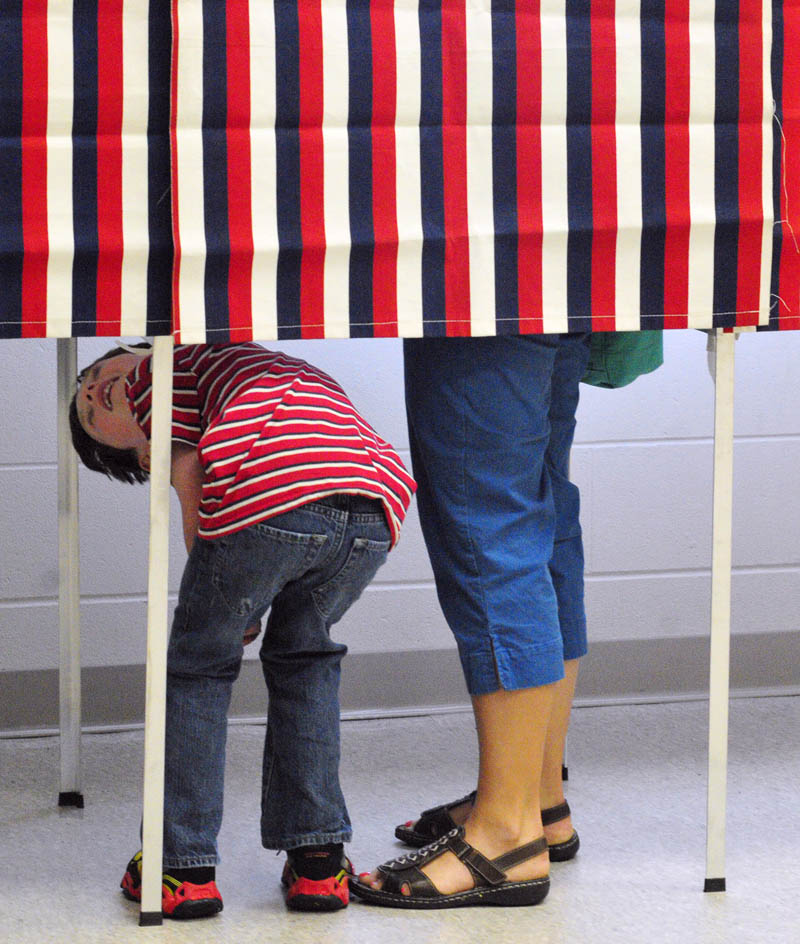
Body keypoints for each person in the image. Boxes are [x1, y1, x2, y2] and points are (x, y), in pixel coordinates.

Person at [70, 341, 415, 918]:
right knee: (305, 663)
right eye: (89, 413)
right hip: (371, 503)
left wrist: (221, 589)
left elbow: (190, 474)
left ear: (139, 352)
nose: (91, 389)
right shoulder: (239, 367)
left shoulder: (166, 364)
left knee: (197, 668)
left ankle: (179, 867)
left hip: (272, 494)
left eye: (100, 371)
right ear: (137, 458)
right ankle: (318, 863)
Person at [351, 332, 591, 909]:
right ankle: (537, 799)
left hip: (482, 272)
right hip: (567, 256)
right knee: (539, 504)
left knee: (487, 515)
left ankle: (506, 836)